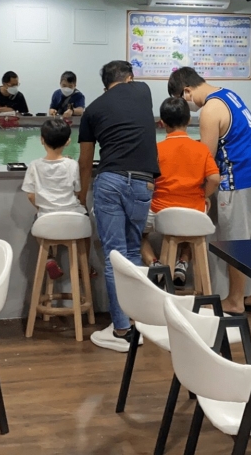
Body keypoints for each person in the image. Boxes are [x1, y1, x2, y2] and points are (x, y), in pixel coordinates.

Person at [168, 67, 251, 316]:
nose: (187, 107)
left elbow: (206, 158)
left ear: (187, 91)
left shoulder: (209, 110)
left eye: (182, 99)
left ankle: (236, 300)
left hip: (240, 181)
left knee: (236, 244)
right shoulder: (229, 95)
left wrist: (199, 191)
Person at [77, 61, 159, 351]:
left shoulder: (92, 110)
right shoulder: (143, 90)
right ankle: (137, 323)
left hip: (110, 181)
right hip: (144, 182)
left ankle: (121, 329)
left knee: (115, 256)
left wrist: (82, 194)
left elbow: (85, 161)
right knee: (134, 252)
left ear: (104, 85)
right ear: (130, 78)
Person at [140, 97, 221, 287]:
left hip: (161, 212)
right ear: (189, 120)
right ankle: (183, 262)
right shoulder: (201, 149)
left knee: (134, 232)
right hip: (194, 212)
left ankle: (155, 265)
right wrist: (204, 196)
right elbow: (215, 179)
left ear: (162, 123)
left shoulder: (156, 150)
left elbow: (147, 182)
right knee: (194, 233)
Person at [23, 118, 87, 280]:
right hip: (73, 219)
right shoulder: (72, 164)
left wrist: (42, 208)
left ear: (41, 140)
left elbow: (30, 195)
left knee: (38, 225)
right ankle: (83, 264)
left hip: (47, 219)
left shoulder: (34, 165)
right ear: (68, 141)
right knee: (85, 220)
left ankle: (50, 258)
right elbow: (77, 190)